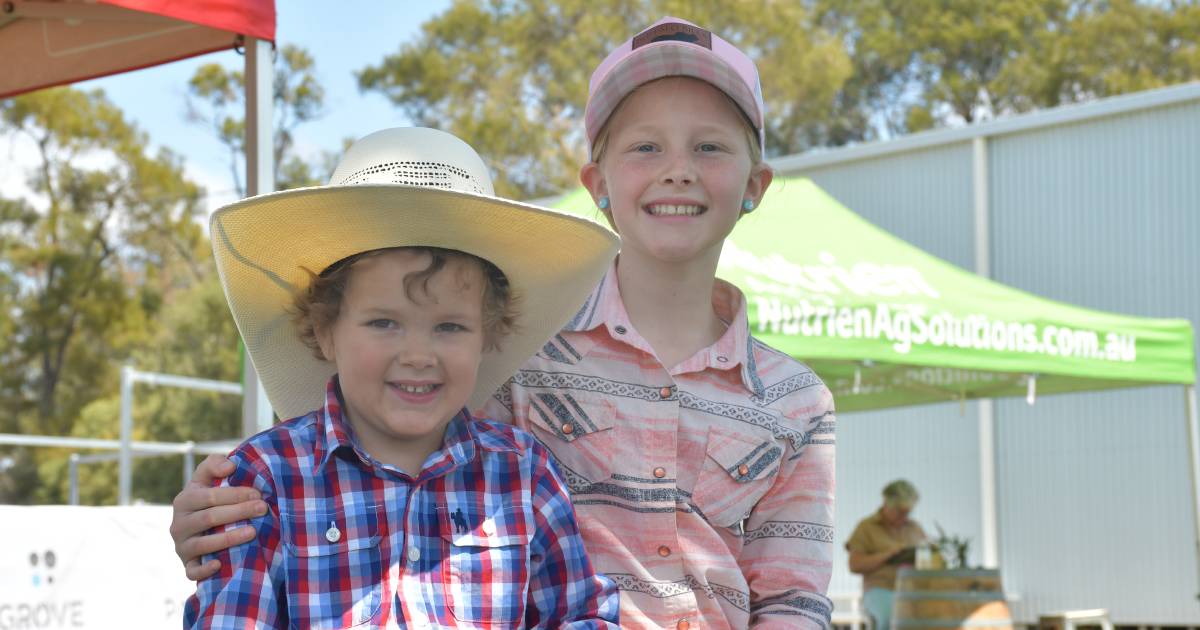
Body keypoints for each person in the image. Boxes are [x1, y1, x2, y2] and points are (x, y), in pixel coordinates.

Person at [171, 17, 837, 629]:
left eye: (710, 147)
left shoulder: (796, 400)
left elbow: (792, 598)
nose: (678, 171)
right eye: (645, 146)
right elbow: (370, 452)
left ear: (755, 185)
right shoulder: (519, 357)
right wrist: (204, 520)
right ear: (596, 181)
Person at [182, 126, 621, 628]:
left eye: (450, 326)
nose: (418, 354)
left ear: (488, 336)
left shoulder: (523, 474)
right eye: (384, 322)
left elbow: (581, 613)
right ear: (326, 331)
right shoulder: (265, 479)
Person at [845, 479, 928, 630]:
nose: (903, 517)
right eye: (899, 512)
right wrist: (887, 555)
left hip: (913, 590)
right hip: (880, 589)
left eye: (907, 512)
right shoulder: (866, 527)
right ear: (886, 504)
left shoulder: (915, 528)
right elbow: (854, 565)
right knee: (893, 616)